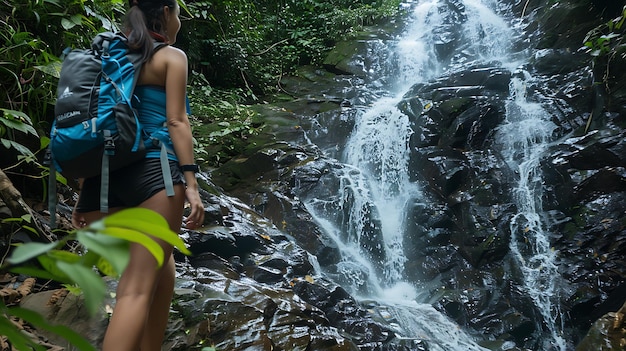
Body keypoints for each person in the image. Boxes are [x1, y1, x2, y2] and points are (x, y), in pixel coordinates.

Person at [71, 0, 205, 350]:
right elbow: (177, 121)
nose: (181, 21)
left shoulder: (109, 55)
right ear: (165, 12)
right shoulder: (171, 57)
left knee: (164, 269)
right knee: (135, 289)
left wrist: (85, 192)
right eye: (179, 13)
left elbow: (95, 125)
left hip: (104, 182)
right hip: (153, 177)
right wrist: (191, 184)